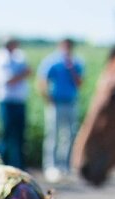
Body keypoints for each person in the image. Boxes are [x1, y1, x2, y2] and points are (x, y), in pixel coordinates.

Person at [37, 37, 84, 183]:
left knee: (69, 135)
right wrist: (47, 98)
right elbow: (42, 80)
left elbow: (79, 83)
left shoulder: (76, 63)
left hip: (71, 102)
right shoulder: (52, 61)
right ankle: (51, 166)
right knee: (53, 135)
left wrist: (71, 69)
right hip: (56, 103)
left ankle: (65, 166)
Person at [0, 36, 32, 169]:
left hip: (19, 101)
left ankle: (19, 166)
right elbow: (7, 80)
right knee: (6, 135)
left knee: (20, 136)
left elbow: (28, 72)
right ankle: (2, 165)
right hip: (6, 102)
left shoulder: (19, 56)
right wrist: (21, 74)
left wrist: (21, 75)